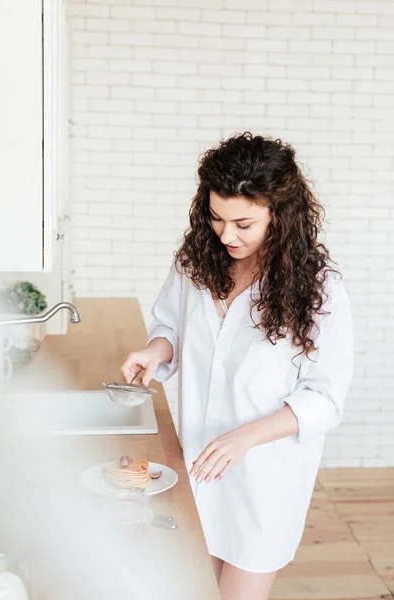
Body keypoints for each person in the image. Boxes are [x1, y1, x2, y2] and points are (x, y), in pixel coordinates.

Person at [121, 132, 353, 600]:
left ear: (280, 215)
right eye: (216, 218)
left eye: (244, 223)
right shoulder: (195, 261)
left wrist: (244, 437)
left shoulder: (319, 288)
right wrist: (155, 351)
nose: (226, 235)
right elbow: (170, 326)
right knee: (194, 586)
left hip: (264, 476)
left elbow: (323, 399)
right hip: (199, 461)